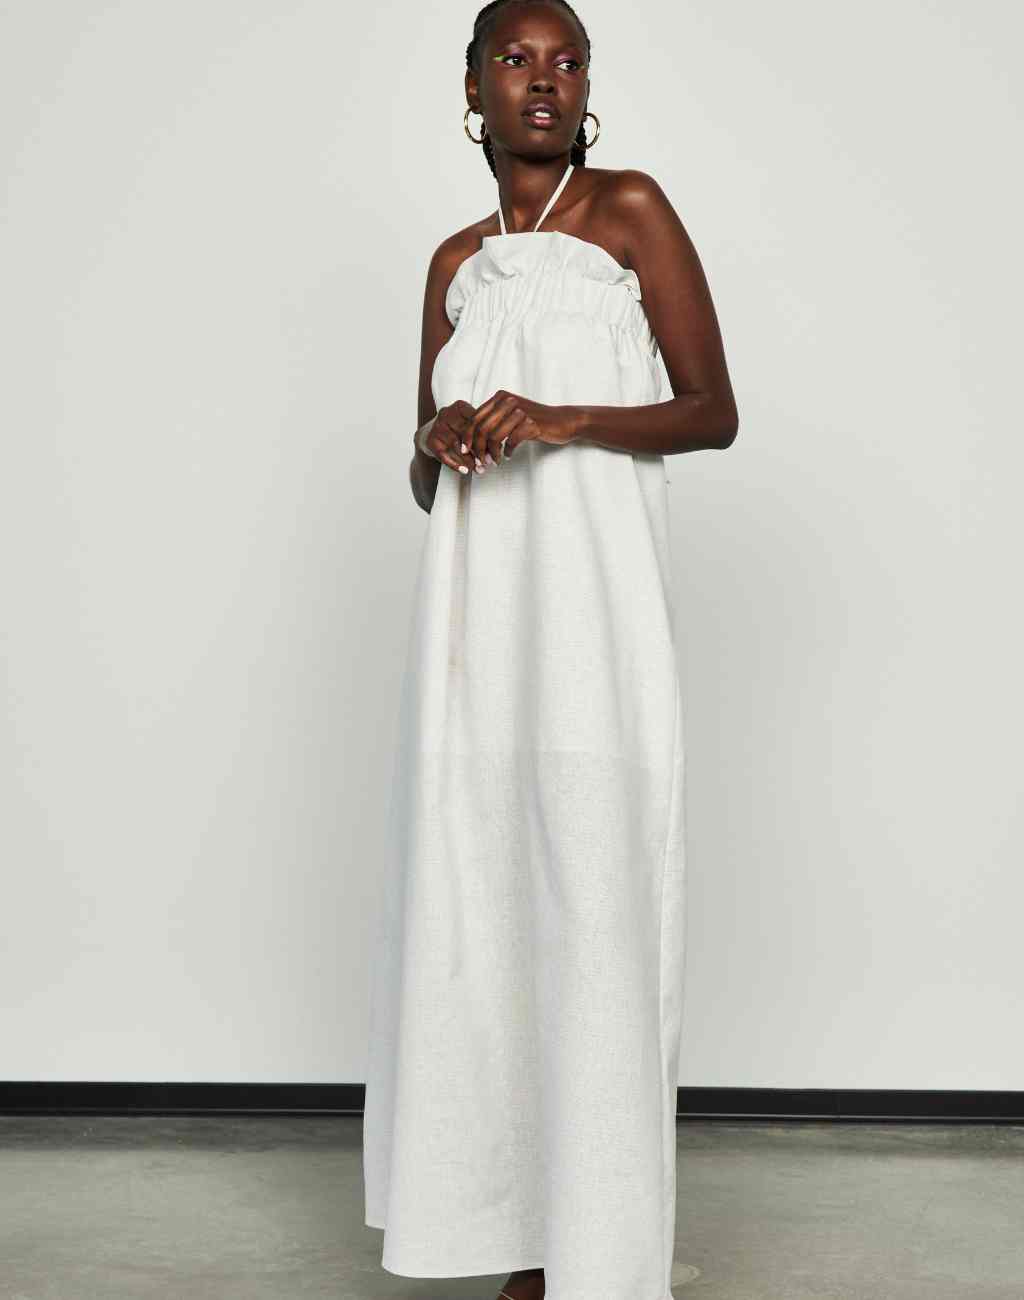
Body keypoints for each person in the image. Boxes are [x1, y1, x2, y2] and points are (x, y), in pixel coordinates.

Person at [363, 2, 738, 1298]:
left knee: (593, 908)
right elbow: (430, 480)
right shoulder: (455, 263)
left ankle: (600, 1255)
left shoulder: (629, 211)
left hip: (593, 619)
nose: (544, 80)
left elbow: (712, 412)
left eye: (567, 60)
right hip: (474, 637)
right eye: (516, 60)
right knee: (480, 908)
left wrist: (561, 416)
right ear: (472, 87)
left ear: (587, 89)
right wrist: (440, 438)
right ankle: (512, 1237)